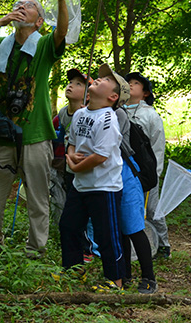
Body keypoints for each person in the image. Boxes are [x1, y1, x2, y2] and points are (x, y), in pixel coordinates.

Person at [0, 0, 70, 259]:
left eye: (29, 6)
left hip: (35, 134)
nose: (21, 6)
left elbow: (61, 33)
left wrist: (62, 1)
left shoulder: (42, 47)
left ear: (39, 21)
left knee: (38, 199)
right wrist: (0, 22)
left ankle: (35, 251)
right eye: (18, 4)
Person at [57, 63, 129, 292]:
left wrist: (75, 167)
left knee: (106, 233)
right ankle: (73, 270)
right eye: (99, 78)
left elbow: (100, 155)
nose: (98, 79)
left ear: (112, 96)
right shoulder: (80, 114)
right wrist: (70, 156)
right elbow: (72, 143)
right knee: (68, 225)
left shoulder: (108, 119)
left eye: (106, 80)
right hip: (81, 185)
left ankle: (115, 280)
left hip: (104, 186)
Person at [122, 73, 170, 259]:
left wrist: (154, 173)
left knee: (151, 209)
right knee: (130, 207)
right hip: (126, 170)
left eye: (136, 83)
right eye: (128, 82)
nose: (131, 85)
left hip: (146, 171)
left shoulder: (150, 115)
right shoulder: (118, 111)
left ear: (145, 93)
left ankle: (163, 244)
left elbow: (158, 145)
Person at [115, 105, 158, 294]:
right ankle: (125, 275)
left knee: (134, 229)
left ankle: (149, 277)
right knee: (120, 231)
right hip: (111, 180)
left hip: (127, 178)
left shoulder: (117, 114)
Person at [51, 68, 91, 225]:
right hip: (66, 165)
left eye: (78, 84)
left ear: (88, 94)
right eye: (70, 82)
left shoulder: (89, 113)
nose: (71, 85)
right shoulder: (62, 113)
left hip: (84, 165)